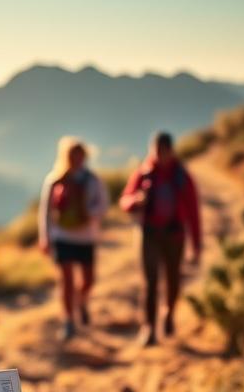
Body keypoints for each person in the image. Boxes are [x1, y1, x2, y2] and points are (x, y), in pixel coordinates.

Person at [119, 131, 201, 347]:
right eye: (157, 152)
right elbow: (124, 201)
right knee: (150, 282)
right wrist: (136, 201)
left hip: (175, 235)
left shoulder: (182, 177)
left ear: (170, 151)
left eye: (164, 152)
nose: (160, 156)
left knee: (173, 279)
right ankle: (149, 328)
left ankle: (169, 314)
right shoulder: (143, 173)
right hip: (149, 234)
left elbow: (193, 212)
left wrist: (196, 245)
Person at [38, 137, 109, 340]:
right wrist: (45, 237)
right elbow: (45, 211)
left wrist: (91, 214)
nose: (76, 159)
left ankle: (81, 301)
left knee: (88, 280)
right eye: (72, 155)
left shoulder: (93, 180)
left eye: (79, 155)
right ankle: (69, 320)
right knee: (66, 281)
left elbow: (103, 205)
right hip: (62, 237)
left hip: (86, 238)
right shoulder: (54, 180)